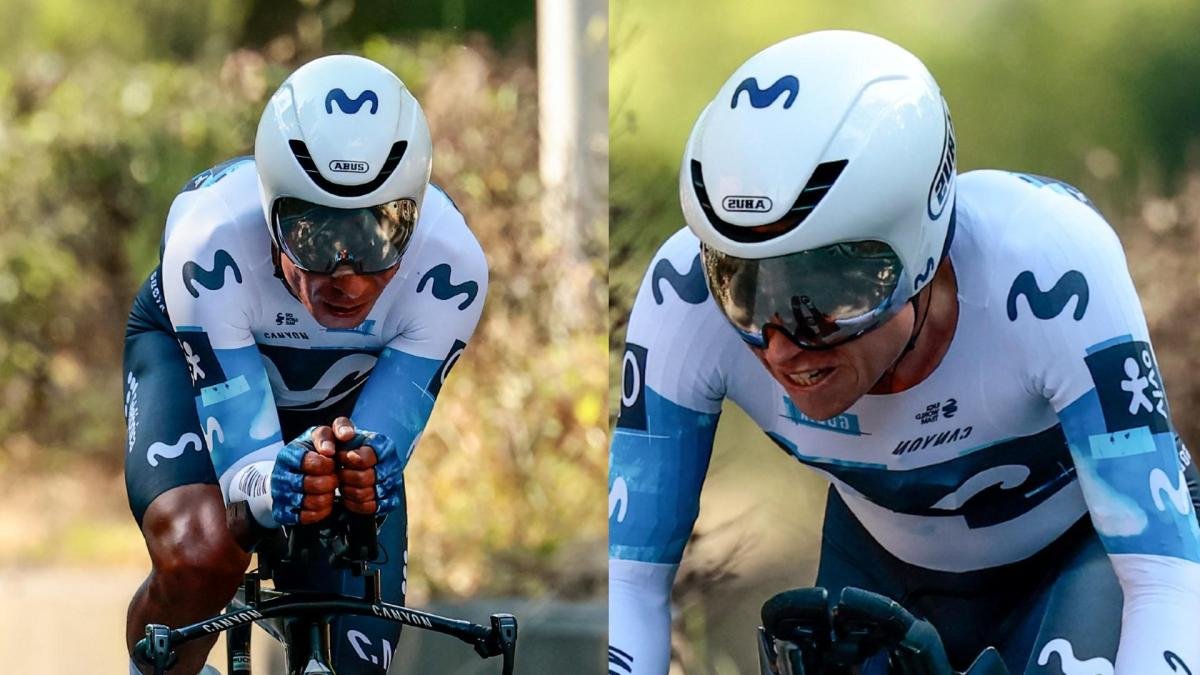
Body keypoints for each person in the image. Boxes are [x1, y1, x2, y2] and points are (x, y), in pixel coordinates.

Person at [608, 30, 1200, 675]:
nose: (780, 347)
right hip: (882, 558)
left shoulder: (1050, 267)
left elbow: (1162, 582)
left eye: (822, 292)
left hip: (1088, 552)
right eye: (742, 288)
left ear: (920, 247)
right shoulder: (682, 298)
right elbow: (629, 586)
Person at [123, 54, 488, 674]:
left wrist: (363, 472)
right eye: (312, 236)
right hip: (197, 366)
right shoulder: (209, 241)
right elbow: (245, 476)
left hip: (340, 404)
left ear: (415, 213)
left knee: (356, 649)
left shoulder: (452, 268)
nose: (347, 277)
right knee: (202, 552)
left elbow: (377, 444)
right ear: (269, 211)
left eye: (378, 235)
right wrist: (272, 487)